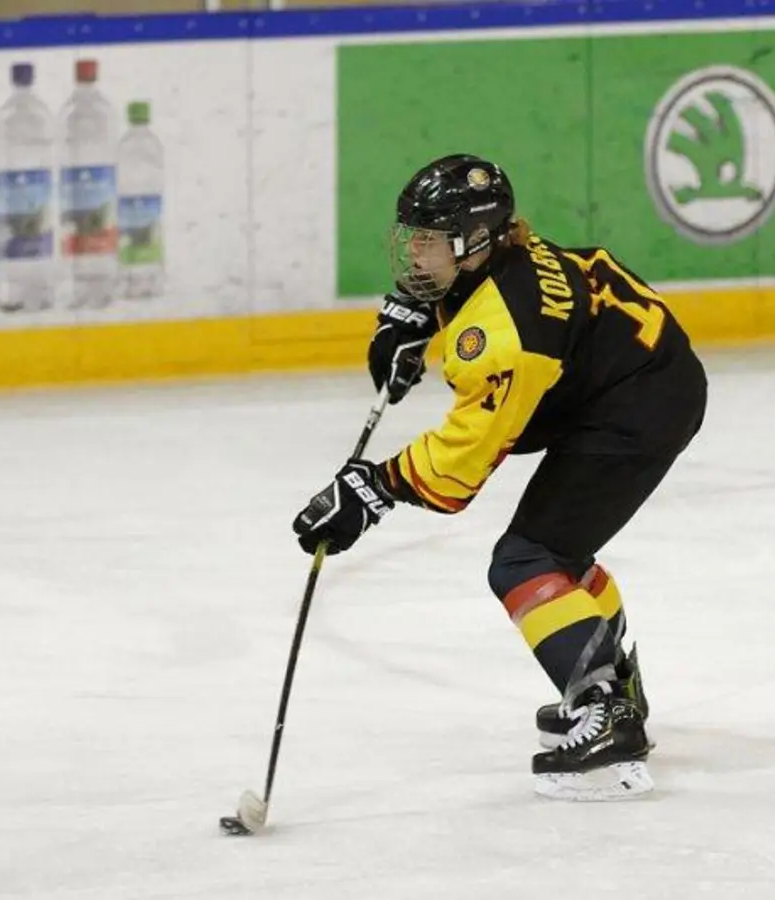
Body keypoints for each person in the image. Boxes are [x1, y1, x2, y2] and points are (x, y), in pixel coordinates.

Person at [291, 153, 707, 801]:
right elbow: (470, 290)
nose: (414, 253)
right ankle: (613, 686)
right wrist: (407, 315)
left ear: (473, 241)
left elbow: (458, 470)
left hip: (637, 408)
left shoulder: (506, 336)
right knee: (557, 552)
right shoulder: (505, 251)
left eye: (428, 241)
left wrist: (370, 489)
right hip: (619, 382)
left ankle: (608, 713)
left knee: (526, 562)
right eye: (415, 238)